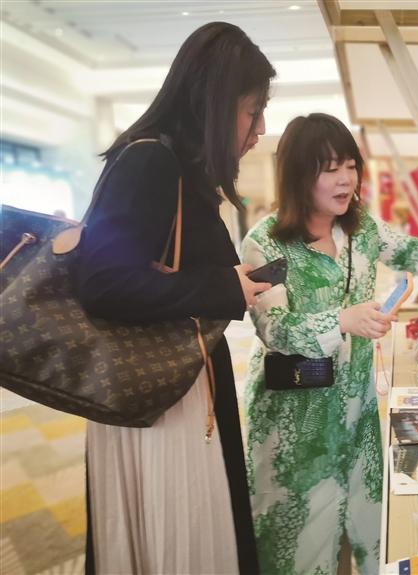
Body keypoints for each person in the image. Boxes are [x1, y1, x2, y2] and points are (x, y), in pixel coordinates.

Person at [241, 113, 418, 574]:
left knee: (375, 534)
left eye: (350, 166)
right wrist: (343, 320)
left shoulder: (362, 230)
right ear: (297, 174)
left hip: (355, 414)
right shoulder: (265, 244)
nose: (345, 179)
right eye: (329, 168)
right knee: (297, 553)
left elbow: (414, 251)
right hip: (294, 427)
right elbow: (274, 329)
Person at [74, 22, 275, 574]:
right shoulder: (150, 161)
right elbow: (103, 283)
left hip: (177, 383)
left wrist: (222, 281)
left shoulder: (178, 167)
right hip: (158, 394)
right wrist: (223, 286)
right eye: (253, 111)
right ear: (214, 102)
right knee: (179, 535)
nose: (261, 128)